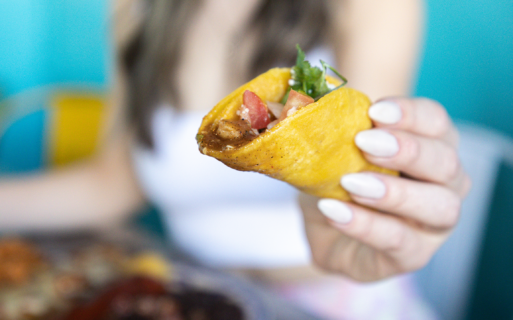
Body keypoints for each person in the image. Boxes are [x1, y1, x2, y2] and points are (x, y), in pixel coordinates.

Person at [0, 0, 470, 317]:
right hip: (192, 296)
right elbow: (114, 183)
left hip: (339, 299)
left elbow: (365, 165)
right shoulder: (138, 10)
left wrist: (399, 194)